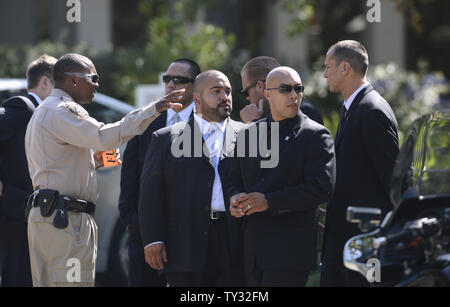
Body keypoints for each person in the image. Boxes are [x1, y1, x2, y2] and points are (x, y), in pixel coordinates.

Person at [24, 53, 184, 287]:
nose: (97, 85)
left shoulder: (47, 110)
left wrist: (93, 161)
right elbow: (103, 136)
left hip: (54, 216)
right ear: (73, 80)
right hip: (65, 219)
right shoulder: (62, 109)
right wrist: (154, 109)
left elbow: (58, 161)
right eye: (93, 77)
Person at [226, 66, 336, 286]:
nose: (294, 95)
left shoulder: (315, 134)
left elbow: (321, 187)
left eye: (298, 89)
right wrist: (235, 198)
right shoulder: (248, 133)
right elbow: (231, 179)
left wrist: (269, 202)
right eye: (286, 89)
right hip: (252, 253)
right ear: (267, 93)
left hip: (289, 253)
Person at [138, 70, 246, 287]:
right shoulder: (166, 138)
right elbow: (151, 194)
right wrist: (153, 239)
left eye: (228, 91)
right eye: (216, 91)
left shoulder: (248, 135)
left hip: (235, 241)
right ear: (197, 98)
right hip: (185, 243)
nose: (225, 97)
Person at [320, 40, 399, 287]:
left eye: (328, 67)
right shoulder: (353, 107)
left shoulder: (371, 110)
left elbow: (392, 179)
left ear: (345, 68)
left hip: (363, 242)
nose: (324, 74)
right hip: (346, 239)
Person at [119, 58, 200, 286]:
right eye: (167, 79)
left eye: (179, 80)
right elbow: (130, 180)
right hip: (144, 238)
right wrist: (136, 225)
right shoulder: (146, 121)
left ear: (195, 86)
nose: (171, 85)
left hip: (190, 238)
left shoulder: (206, 123)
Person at [0, 54, 57, 287]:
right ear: (44, 82)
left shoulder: (47, 115)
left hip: (36, 216)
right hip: (16, 215)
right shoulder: (23, 107)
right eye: (59, 84)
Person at [240, 56, 324, 125]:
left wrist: (252, 123)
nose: (247, 98)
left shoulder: (300, 110)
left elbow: (281, 145)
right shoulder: (272, 115)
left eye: (246, 92)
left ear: (260, 86)